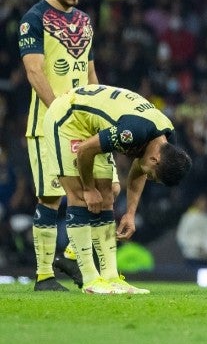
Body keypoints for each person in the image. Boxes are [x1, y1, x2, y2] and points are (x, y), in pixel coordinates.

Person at [18, 0, 118, 291]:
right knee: (51, 197)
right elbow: (34, 71)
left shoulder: (85, 20)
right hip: (48, 123)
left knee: (104, 189)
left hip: (84, 124)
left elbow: (89, 73)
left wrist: (98, 109)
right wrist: (59, 110)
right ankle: (44, 275)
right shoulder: (33, 19)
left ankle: (73, 255)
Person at [41, 84, 192, 294]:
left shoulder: (166, 142)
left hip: (94, 126)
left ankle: (111, 277)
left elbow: (139, 170)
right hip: (68, 118)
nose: (149, 178)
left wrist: (130, 214)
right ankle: (90, 279)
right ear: (156, 159)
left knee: (106, 198)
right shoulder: (131, 133)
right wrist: (88, 188)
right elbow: (84, 150)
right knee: (80, 196)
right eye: (153, 176)